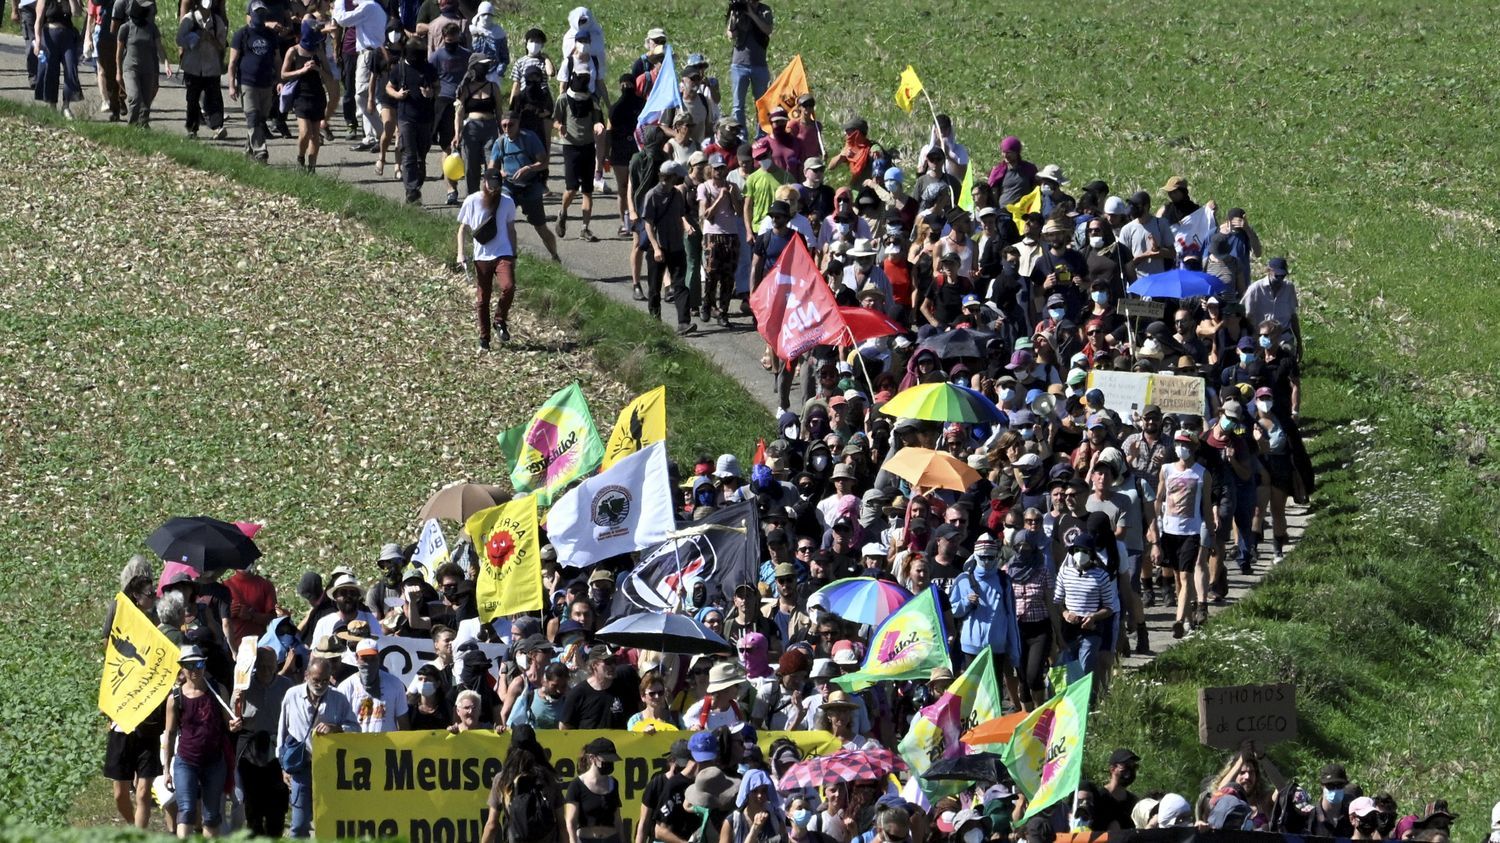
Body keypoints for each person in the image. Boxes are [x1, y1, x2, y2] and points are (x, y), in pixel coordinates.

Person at [163, 644, 237, 839]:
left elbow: (228, 722)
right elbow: (170, 734)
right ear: (182, 668)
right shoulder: (175, 698)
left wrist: (234, 725)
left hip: (214, 761)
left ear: (204, 665)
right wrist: (166, 770)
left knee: (212, 815)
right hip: (186, 761)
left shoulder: (217, 691)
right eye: (189, 665)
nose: (195, 670)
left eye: (198, 664)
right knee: (186, 810)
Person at [232, 647, 294, 838]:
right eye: (262, 665)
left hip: (278, 751)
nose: (266, 669)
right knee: (253, 807)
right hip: (251, 751)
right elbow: (234, 719)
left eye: (270, 665)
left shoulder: (287, 686)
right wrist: (235, 703)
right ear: (255, 666)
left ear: (277, 664)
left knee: (277, 807)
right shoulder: (244, 686)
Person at [456, 168, 519, 349]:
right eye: (490, 186)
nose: (493, 190)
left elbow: (511, 229)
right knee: (483, 299)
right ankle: (484, 338)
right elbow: (462, 229)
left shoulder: (507, 202)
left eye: (496, 186)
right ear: (484, 183)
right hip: (482, 255)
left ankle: (499, 319)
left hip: (503, 252)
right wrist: (460, 253)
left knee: (508, 286)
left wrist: (513, 254)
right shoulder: (472, 201)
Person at [1156, 430, 1211, 638]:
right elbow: (1159, 498)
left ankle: (1178, 620)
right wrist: (1154, 525)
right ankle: (1188, 620)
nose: (1182, 448)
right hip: (1169, 531)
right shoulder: (1166, 470)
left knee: (1187, 576)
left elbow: (1206, 505)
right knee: (1178, 580)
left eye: (1186, 444)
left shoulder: (1201, 473)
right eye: (1178, 443)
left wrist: (1210, 532)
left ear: (1194, 447)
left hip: (1191, 532)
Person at [490, 110, 563, 260]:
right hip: (509, 187)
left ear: (518, 124)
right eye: (504, 125)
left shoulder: (529, 138)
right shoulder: (500, 142)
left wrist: (529, 168)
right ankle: (511, 258)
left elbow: (543, 162)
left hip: (530, 187)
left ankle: (555, 256)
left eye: (511, 125)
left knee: (540, 226)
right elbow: (492, 169)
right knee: (505, 222)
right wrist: (499, 173)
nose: (507, 129)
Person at [641, 159, 697, 335]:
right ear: (670, 177)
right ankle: (655, 322)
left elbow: (681, 215)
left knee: (680, 285)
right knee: (654, 288)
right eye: (677, 176)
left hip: (676, 246)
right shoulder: (652, 195)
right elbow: (648, 224)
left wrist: (686, 226)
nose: (680, 178)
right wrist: (656, 248)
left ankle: (683, 323)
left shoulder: (677, 194)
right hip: (658, 248)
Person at [484, 725, 564, 843]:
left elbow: (492, 825)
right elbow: (562, 824)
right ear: (536, 746)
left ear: (511, 748)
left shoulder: (503, 779)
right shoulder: (549, 778)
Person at [553, 70, 606, 242]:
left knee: (588, 191)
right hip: (571, 147)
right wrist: (559, 126)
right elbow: (555, 119)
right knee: (572, 187)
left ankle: (585, 228)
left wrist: (598, 125)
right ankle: (563, 212)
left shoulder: (592, 100)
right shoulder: (563, 99)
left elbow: (599, 119)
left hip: (588, 147)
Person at [281, 20, 337, 172]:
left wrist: (318, 69)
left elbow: (330, 77)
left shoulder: (319, 52)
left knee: (315, 136)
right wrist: (301, 71)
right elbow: (284, 74)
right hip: (301, 95)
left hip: (317, 95)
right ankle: (300, 158)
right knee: (305, 133)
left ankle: (311, 167)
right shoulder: (293, 51)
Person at [386, 38, 438, 200]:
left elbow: (437, 86)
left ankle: (418, 181)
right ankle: (411, 189)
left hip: (426, 118)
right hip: (406, 117)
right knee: (408, 153)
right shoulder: (400, 68)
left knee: (421, 154)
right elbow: (388, 87)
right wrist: (397, 95)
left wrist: (431, 93)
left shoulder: (429, 68)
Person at [176, 0, 227, 138]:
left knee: (214, 97)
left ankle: (217, 126)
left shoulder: (217, 22)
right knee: (192, 99)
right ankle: (192, 129)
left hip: (211, 67)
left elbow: (222, 44)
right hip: (192, 67)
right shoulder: (189, 19)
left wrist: (210, 39)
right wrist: (196, 38)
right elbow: (180, 39)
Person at [115, 0, 171, 127]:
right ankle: (131, 127)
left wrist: (166, 63)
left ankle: (143, 128)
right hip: (130, 68)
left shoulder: (152, 28)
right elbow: (118, 53)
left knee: (145, 104)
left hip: (148, 69)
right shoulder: (125, 28)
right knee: (134, 98)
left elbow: (159, 47)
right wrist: (118, 72)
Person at [566, 736, 626, 843]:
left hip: (611, 839)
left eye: (612, 760)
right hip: (586, 840)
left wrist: (622, 840)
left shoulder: (613, 783)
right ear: (592, 758)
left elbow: (617, 819)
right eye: (606, 759)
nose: (610, 763)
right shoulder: (577, 785)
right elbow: (571, 821)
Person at [723, 0, 772, 130]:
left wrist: (751, 14)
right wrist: (734, 16)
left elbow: (767, 29)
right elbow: (731, 35)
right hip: (739, 64)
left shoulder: (764, 10)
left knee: (761, 104)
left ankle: (761, 136)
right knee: (738, 106)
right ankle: (739, 136)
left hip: (759, 64)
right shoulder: (738, 11)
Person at [33, 0, 84, 117]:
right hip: (49, 36)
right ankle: (52, 105)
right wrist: (38, 41)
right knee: (51, 71)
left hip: (67, 36)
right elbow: (38, 20)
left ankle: (66, 106)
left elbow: (76, 13)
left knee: (71, 69)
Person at [561, 645, 626, 729]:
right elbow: (564, 726)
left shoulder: (623, 689)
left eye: (614, 661)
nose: (613, 666)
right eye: (608, 662)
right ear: (594, 665)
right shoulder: (578, 693)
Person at [723, 768, 785, 843]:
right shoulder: (732, 821)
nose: (759, 795)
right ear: (746, 792)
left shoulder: (776, 820)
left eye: (764, 791)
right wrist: (755, 828)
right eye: (754, 791)